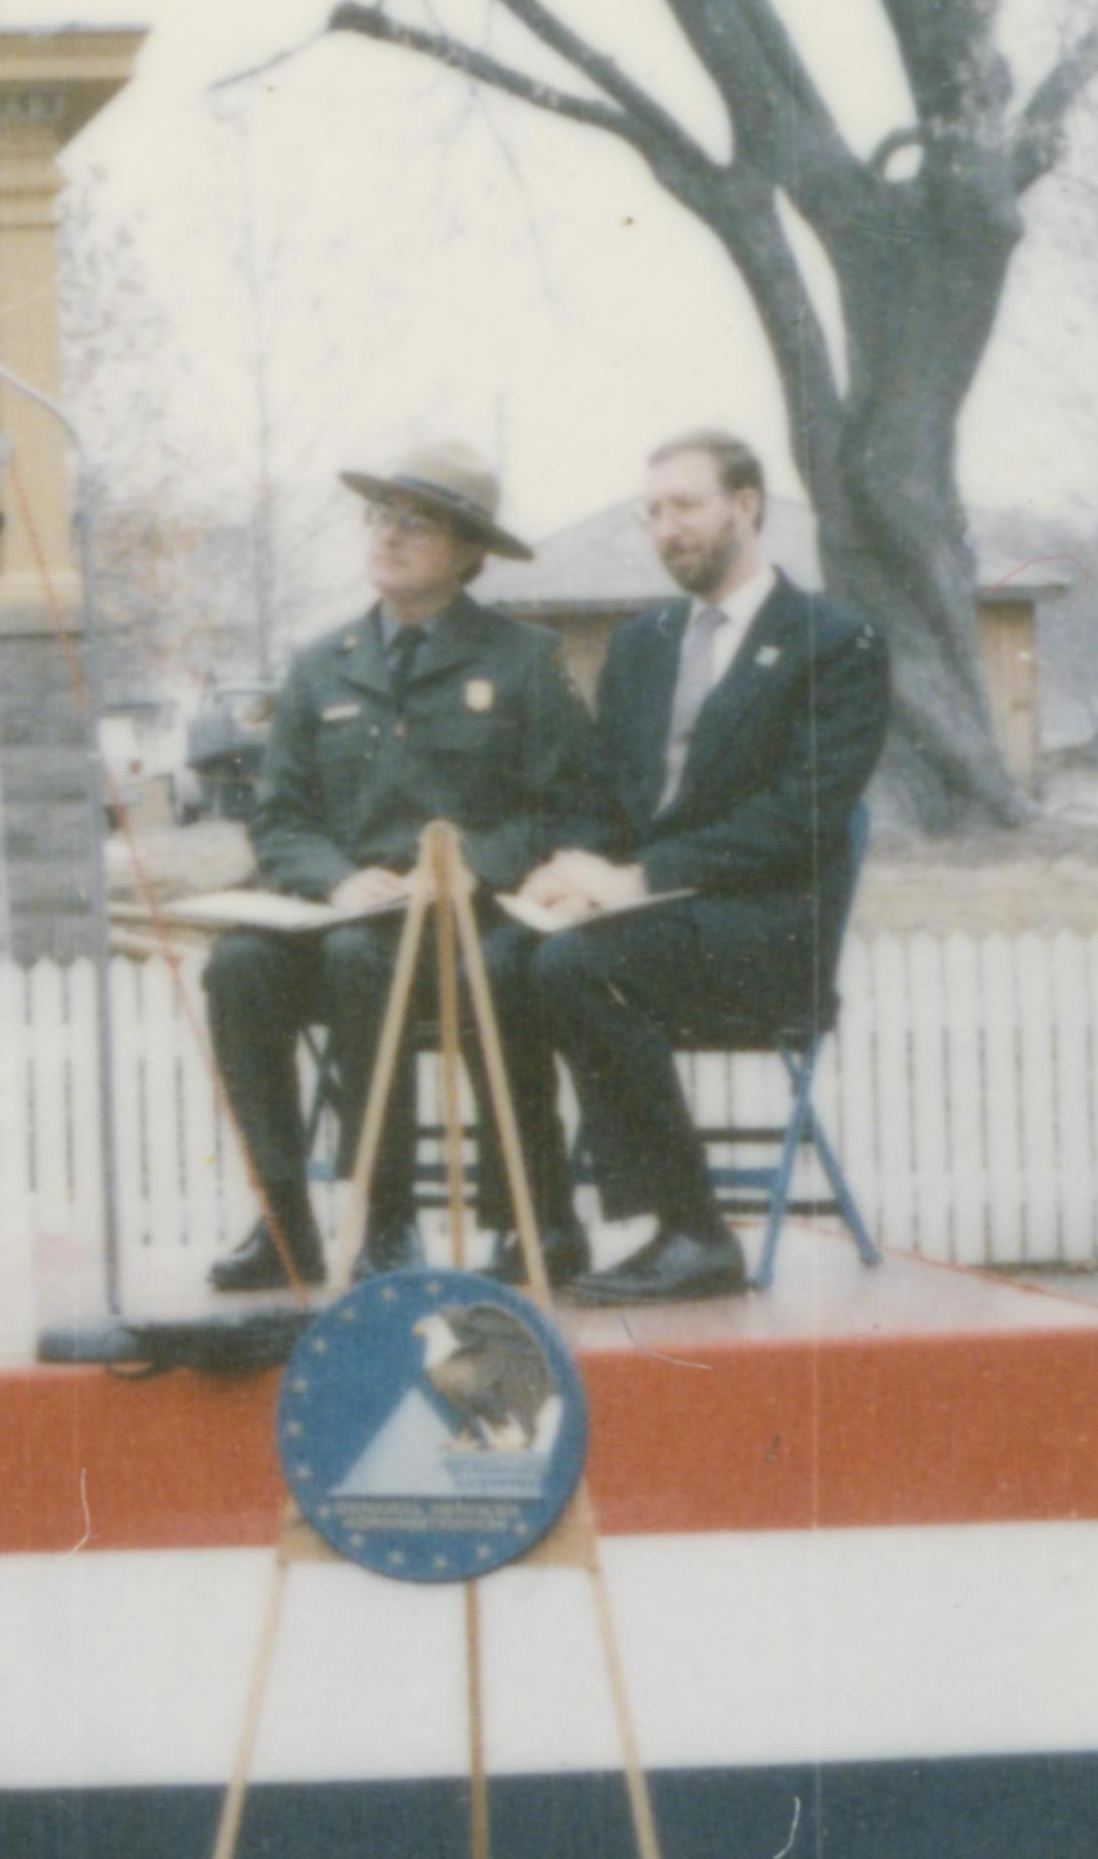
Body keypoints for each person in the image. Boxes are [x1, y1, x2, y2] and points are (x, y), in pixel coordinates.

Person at [204, 441, 609, 1293]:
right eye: (382, 516)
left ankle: (385, 1221)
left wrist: (475, 867)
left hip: (467, 928)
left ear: (469, 553)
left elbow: (570, 807)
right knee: (237, 965)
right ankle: (284, 1224)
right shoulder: (322, 665)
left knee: (362, 960)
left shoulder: (520, 659)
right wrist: (334, 879)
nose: (389, 535)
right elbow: (279, 816)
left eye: (416, 523)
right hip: (346, 911)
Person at [518, 430, 889, 1306]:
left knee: (580, 964)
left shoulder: (837, 642)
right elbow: (608, 796)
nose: (666, 528)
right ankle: (537, 1226)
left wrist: (639, 879)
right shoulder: (641, 646)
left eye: (685, 505)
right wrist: (572, 867)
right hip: (653, 923)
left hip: (769, 925)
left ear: (746, 505)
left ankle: (692, 1232)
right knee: (510, 953)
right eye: (653, 512)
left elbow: (799, 820)